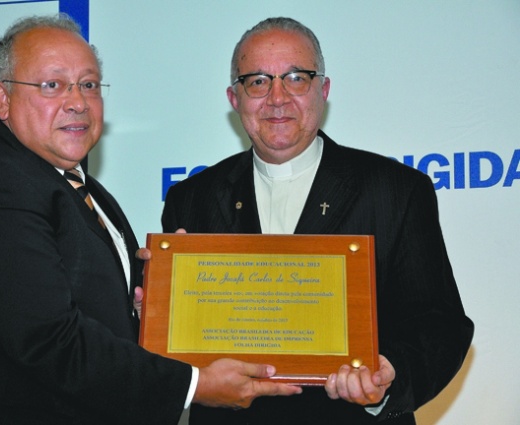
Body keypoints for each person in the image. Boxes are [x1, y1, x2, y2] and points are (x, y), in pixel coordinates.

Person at [0, 14, 302, 425]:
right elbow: (48, 339)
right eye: (52, 85)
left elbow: (93, 310)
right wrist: (195, 384)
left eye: (88, 85)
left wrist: (156, 303)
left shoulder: (82, 189)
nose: (77, 102)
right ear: (2, 99)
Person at [162, 17, 474, 424]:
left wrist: (387, 373)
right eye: (257, 81)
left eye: (296, 78)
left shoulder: (396, 190)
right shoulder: (191, 199)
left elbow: (439, 324)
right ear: (234, 98)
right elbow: (179, 345)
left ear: (323, 90)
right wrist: (157, 309)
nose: (277, 98)